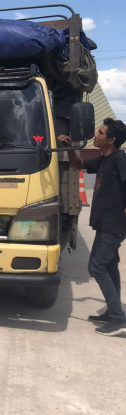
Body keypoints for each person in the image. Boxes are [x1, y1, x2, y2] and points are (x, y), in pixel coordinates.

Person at [58, 117, 126, 336]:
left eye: (100, 133)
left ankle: (118, 319)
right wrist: (69, 148)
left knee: (96, 267)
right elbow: (78, 164)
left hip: (114, 224)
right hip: (105, 223)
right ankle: (113, 311)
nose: (95, 135)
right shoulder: (104, 159)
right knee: (109, 266)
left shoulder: (119, 159)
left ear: (112, 140)